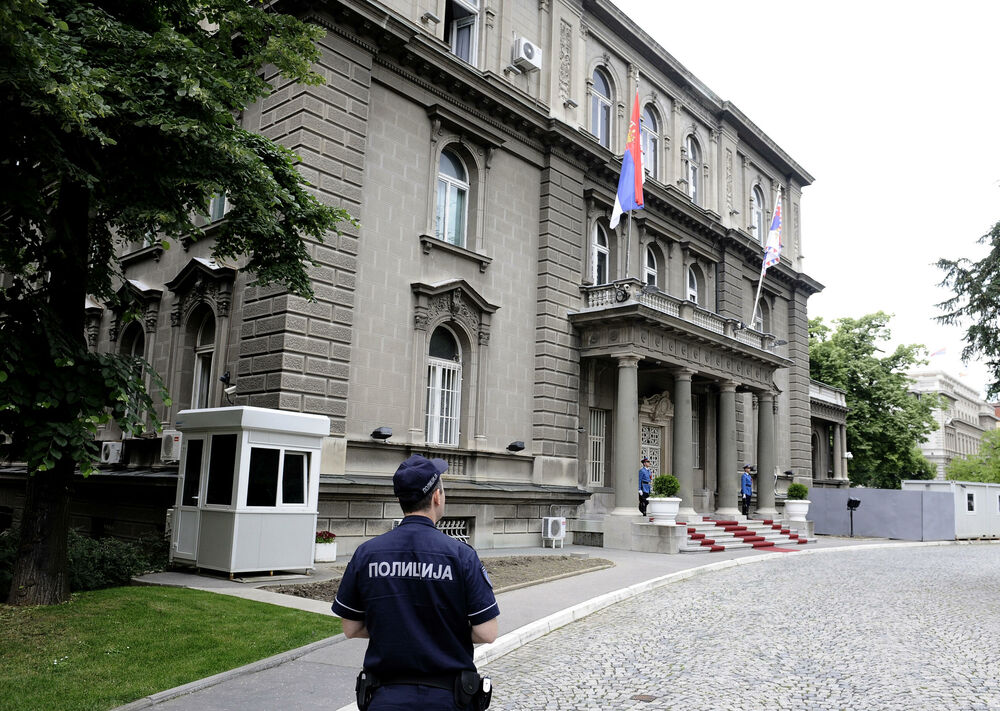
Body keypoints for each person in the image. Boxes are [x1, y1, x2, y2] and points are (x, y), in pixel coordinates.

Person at [332, 455, 499, 711]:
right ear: (436, 497)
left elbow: (351, 628)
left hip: (385, 698)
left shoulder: (367, 553)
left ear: (401, 500)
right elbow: (487, 632)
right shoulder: (461, 556)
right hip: (448, 699)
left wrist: (397, 629)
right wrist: (441, 630)